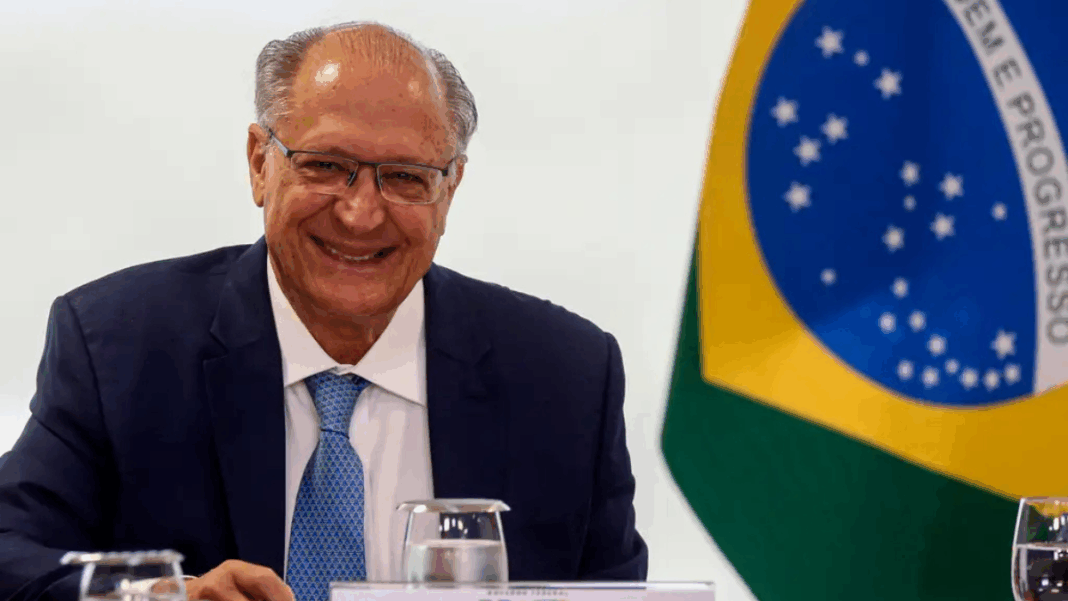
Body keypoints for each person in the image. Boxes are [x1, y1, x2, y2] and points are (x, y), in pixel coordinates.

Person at [0, 21, 647, 601]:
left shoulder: (566, 378)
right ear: (260, 163)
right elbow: (10, 552)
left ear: (449, 189)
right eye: (327, 166)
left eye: (405, 176)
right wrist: (158, 598)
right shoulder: (120, 345)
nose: (361, 213)